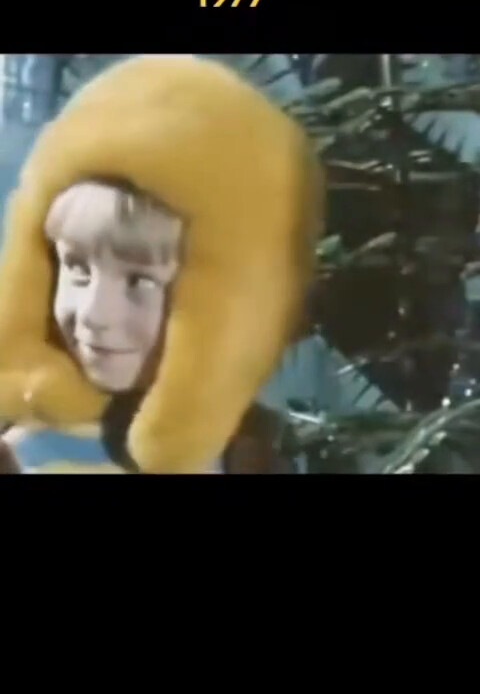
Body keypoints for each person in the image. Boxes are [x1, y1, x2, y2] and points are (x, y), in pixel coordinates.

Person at [0, 55, 321, 474]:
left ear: (225, 308)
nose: (93, 314)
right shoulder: (22, 446)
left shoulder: (255, 454)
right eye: (76, 268)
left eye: (139, 281)